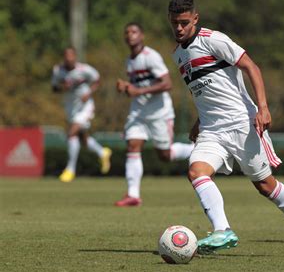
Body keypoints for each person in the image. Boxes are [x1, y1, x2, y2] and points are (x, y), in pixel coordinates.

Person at [167, 0, 284, 256]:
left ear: (195, 18)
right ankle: (222, 230)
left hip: (242, 124)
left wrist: (263, 107)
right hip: (212, 130)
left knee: (265, 186)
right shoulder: (178, 55)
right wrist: (198, 121)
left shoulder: (213, 40)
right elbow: (203, 90)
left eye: (184, 22)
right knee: (196, 172)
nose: (179, 28)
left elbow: (251, 67)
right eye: (174, 23)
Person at [115, 22, 194, 207]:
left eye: (134, 31)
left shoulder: (151, 57)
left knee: (164, 155)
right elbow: (138, 86)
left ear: (141, 35)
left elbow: (167, 84)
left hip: (160, 112)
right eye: (127, 32)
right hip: (139, 112)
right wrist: (126, 88)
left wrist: (137, 91)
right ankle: (133, 195)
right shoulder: (129, 61)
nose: (130, 35)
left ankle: (194, 149)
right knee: (133, 145)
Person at [51, 47, 112, 183]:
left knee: (71, 133)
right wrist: (62, 88)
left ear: (75, 57)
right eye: (66, 55)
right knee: (83, 140)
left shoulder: (84, 69)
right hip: (70, 108)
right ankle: (103, 152)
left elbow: (97, 80)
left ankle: (70, 169)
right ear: (63, 57)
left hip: (85, 107)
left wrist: (89, 93)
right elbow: (54, 88)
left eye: (71, 55)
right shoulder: (58, 71)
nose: (69, 58)